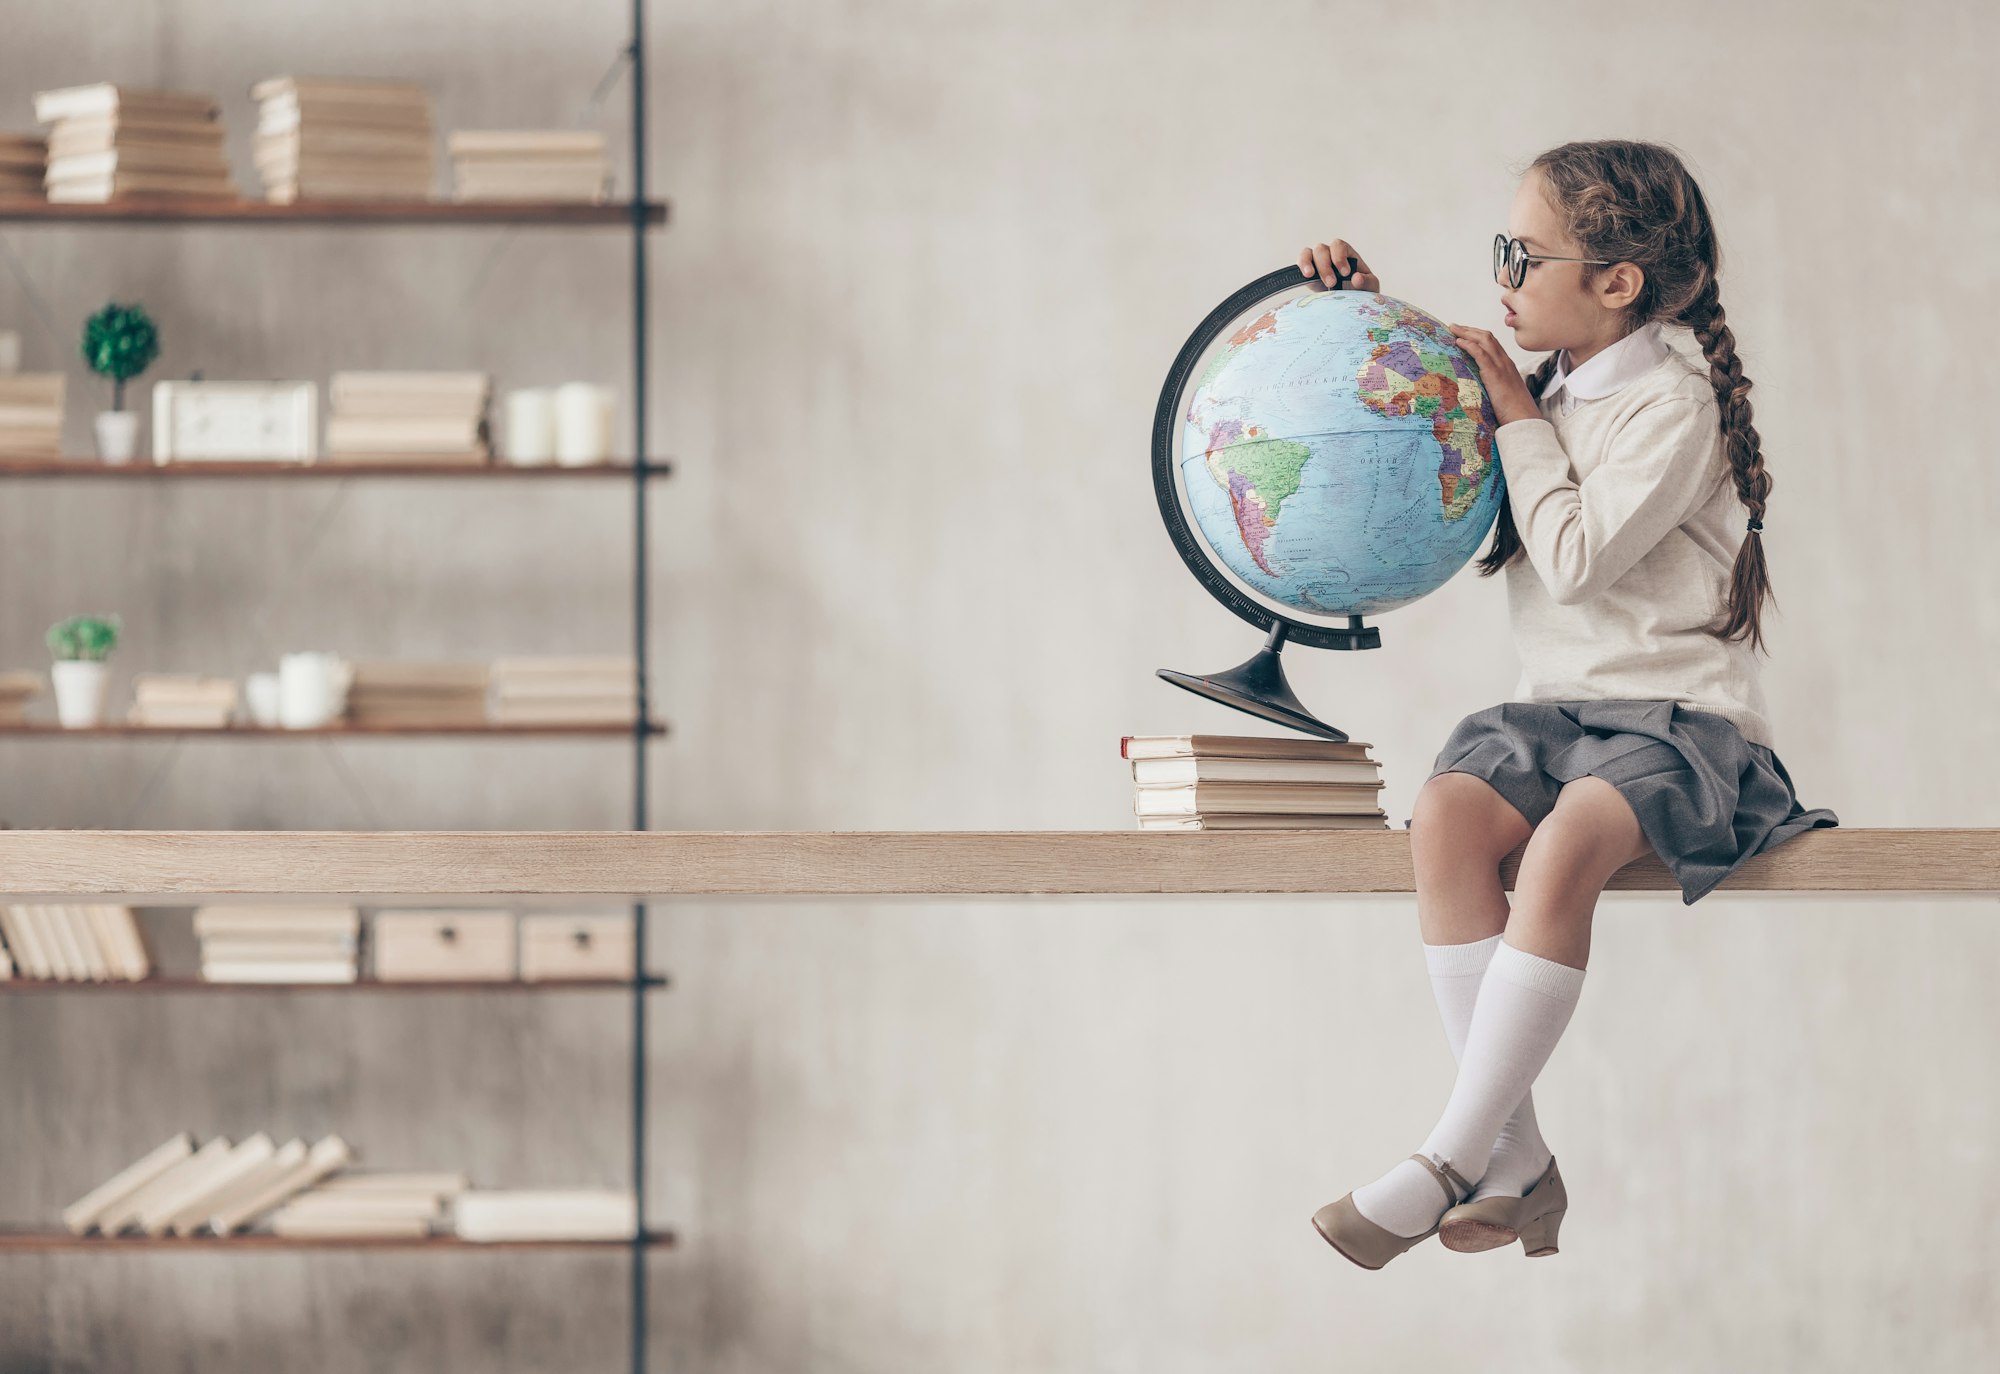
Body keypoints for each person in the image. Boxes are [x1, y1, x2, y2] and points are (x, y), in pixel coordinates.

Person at [1294, 139, 1839, 1270]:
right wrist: (1360, 320)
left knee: (1562, 851)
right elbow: (1425, 429)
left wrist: (1512, 413)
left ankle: (1448, 1152)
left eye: (1521, 253)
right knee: (1445, 816)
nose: (1500, 272)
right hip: (1560, 715)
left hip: (1680, 725)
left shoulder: (1671, 402)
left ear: (1615, 283)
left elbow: (1578, 556)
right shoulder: (1544, 389)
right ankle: (1518, 1160)